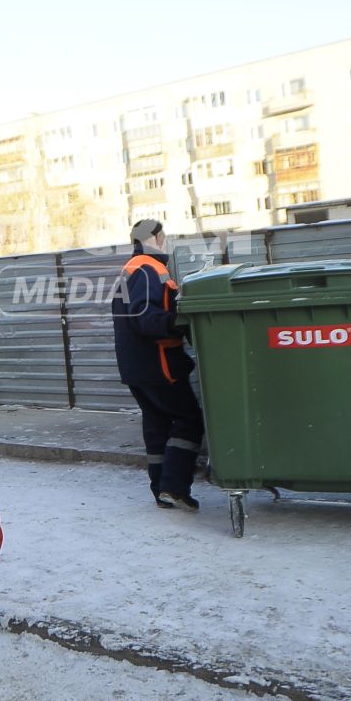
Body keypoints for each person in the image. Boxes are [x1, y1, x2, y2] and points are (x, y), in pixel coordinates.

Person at [111, 218, 206, 510]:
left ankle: (161, 489)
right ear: (153, 238)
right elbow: (146, 319)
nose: (166, 240)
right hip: (160, 365)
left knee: (157, 424)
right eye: (163, 235)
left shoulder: (130, 269)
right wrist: (180, 322)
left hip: (137, 367)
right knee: (190, 419)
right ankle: (173, 486)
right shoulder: (148, 269)